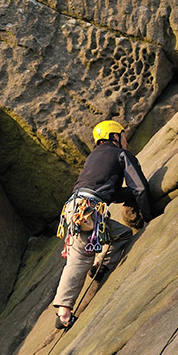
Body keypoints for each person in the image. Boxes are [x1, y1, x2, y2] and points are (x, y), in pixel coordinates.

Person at [52, 120, 153, 329]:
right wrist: (149, 216)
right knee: (79, 259)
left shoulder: (94, 157)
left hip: (75, 208)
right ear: (114, 137)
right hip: (87, 212)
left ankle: (102, 266)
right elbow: (140, 188)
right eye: (122, 134)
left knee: (123, 234)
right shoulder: (120, 155)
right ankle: (63, 311)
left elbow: (114, 193)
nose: (126, 138)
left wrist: (130, 198)